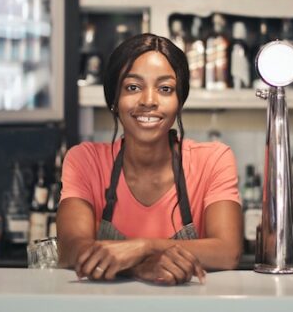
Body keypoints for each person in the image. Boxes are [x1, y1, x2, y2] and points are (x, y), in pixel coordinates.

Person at [57, 33, 242, 285]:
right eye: (133, 87)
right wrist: (140, 267)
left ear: (179, 102)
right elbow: (70, 249)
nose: (149, 101)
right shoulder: (84, 160)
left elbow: (227, 252)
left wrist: (143, 247)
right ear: (114, 100)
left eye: (165, 89)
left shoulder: (213, 159)